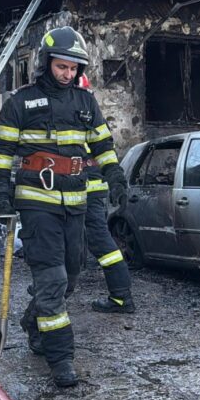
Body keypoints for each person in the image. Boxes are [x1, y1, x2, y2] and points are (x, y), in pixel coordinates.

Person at [0, 26, 127, 388]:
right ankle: (61, 358)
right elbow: (3, 153)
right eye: (61, 67)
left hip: (76, 201)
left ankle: (33, 321)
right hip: (36, 202)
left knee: (71, 277)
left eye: (73, 69)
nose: (67, 74)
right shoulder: (21, 102)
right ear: (46, 63)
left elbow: (102, 145)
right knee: (51, 279)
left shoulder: (85, 102)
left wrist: (116, 175)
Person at [76, 75, 134, 313]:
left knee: (99, 242)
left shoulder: (80, 112)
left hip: (86, 187)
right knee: (89, 240)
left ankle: (121, 297)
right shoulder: (89, 111)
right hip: (91, 186)